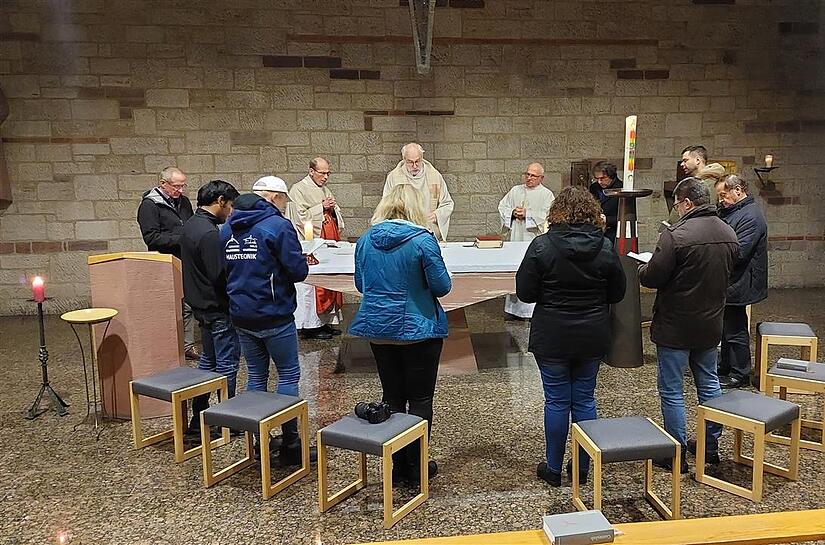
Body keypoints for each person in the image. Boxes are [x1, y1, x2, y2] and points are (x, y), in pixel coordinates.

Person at [516, 187, 626, 487]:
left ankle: (553, 468)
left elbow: (525, 292)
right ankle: (582, 467)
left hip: (552, 333)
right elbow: (618, 292)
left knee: (556, 401)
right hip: (592, 333)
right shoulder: (604, 247)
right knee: (585, 399)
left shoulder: (542, 245)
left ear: (556, 212)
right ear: (592, 213)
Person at [348, 184, 452, 484]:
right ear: (416, 208)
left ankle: (397, 467)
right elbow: (442, 286)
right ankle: (417, 466)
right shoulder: (422, 240)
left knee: (392, 397)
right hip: (418, 329)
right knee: (420, 399)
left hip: (379, 329)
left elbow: (361, 284)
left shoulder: (365, 240)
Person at [639, 177, 738, 472]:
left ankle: (676, 453)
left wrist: (643, 268)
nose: (676, 210)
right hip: (710, 322)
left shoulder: (675, 235)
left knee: (672, 390)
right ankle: (710, 447)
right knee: (708, 383)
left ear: (686, 203)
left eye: (677, 205)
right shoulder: (728, 232)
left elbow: (653, 277)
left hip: (676, 326)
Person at [221, 175, 309, 464]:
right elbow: (297, 271)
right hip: (274, 313)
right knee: (288, 374)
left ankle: (260, 442)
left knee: (256, 375)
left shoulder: (226, 228)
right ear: (274, 198)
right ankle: (291, 444)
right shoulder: (277, 226)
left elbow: (224, 269)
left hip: (241, 312)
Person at [181, 180, 240, 435]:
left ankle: (199, 417)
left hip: (200, 304)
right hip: (217, 307)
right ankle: (228, 420)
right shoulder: (209, 233)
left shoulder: (191, 225)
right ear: (220, 201)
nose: (231, 212)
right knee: (227, 364)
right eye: (230, 206)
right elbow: (218, 274)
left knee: (208, 361)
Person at [136, 166, 199, 361]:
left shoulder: (184, 202)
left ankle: (187, 345)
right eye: (176, 186)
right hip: (164, 262)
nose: (180, 190)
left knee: (187, 305)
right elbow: (151, 237)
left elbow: (189, 224)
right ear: (163, 183)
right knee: (170, 306)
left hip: (185, 259)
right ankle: (168, 347)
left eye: (183, 186)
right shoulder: (149, 206)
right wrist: (180, 238)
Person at [714, 174, 768, 389]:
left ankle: (740, 373)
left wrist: (712, 253)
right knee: (727, 325)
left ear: (738, 190)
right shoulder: (732, 211)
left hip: (742, 279)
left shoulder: (751, 216)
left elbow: (740, 252)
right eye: (719, 196)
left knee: (735, 328)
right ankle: (726, 365)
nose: (721, 200)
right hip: (732, 279)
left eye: (723, 195)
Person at [289, 157, 345, 340]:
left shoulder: (325, 189)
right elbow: (299, 217)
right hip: (310, 245)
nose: (326, 177)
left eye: (328, 173)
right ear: (311, 171)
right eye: (322, 173)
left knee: (328, 284)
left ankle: (325, 322)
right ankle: (310, 326)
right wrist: (321, 207)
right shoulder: (298, 189)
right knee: (311, 287)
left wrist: (332, 210)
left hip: (326, 240)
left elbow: (333, 213)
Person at [497, 162, 555, 319]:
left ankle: (530, 310)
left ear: (541, 178)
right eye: (527, 174)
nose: (529, 178)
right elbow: (502, 207)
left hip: (534, 239)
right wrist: (512, 213)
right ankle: (513, 310)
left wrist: (528, 214)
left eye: (533, 175)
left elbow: (548, 216)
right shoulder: (515, 190)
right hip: (516, 235)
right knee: (516, 269)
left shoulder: (547, 195)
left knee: (532, 270)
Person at [383, 142, 454, 241]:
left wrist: (437, 215)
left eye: (417, 161)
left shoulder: (434, 176)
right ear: (404, 159)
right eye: (410, 162)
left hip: (428, 231)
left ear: (422, 158)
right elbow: (386, 206)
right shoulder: (394, 177)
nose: (415, 166)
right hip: (404, 234)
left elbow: (448, 203)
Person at [588, 161, 622, 242]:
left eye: (602, 178)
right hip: (595, 231)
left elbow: (626, 216)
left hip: (614, 231)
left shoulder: (622, 189)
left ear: (611, 176)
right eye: (597, 179)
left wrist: (607, 219)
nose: (599, 182)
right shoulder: (594, 187)